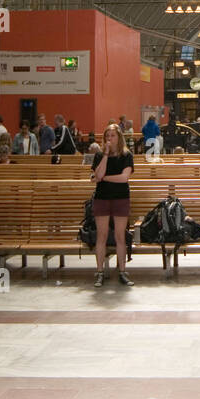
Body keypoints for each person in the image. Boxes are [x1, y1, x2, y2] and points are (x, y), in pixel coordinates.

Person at [90, 123, 135, 287]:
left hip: (121, 197)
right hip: (102, 197)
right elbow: (98, 173)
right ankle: (100, 272)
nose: (109, 139)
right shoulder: (100, 155)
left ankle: (122, 271)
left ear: (119, 137)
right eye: (107, 136)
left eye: (112, 136)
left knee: (120, 236)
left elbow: (124, 178)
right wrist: (106, 155)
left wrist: (104, 179)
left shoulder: (126, 155)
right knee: (101, 236)